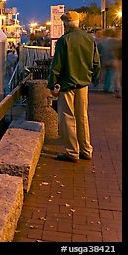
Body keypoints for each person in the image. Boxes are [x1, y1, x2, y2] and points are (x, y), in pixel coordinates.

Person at [47, 10, 101, 162]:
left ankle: (72, 152)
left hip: (67, 85)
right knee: (82, 117)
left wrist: (52, 84)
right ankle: (86, 149)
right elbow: (96, 63)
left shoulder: (64, 41)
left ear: (66, 25)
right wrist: (93, 78)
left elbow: (56, 66)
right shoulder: (89, 38)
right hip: (83, 85)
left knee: (68, 118)